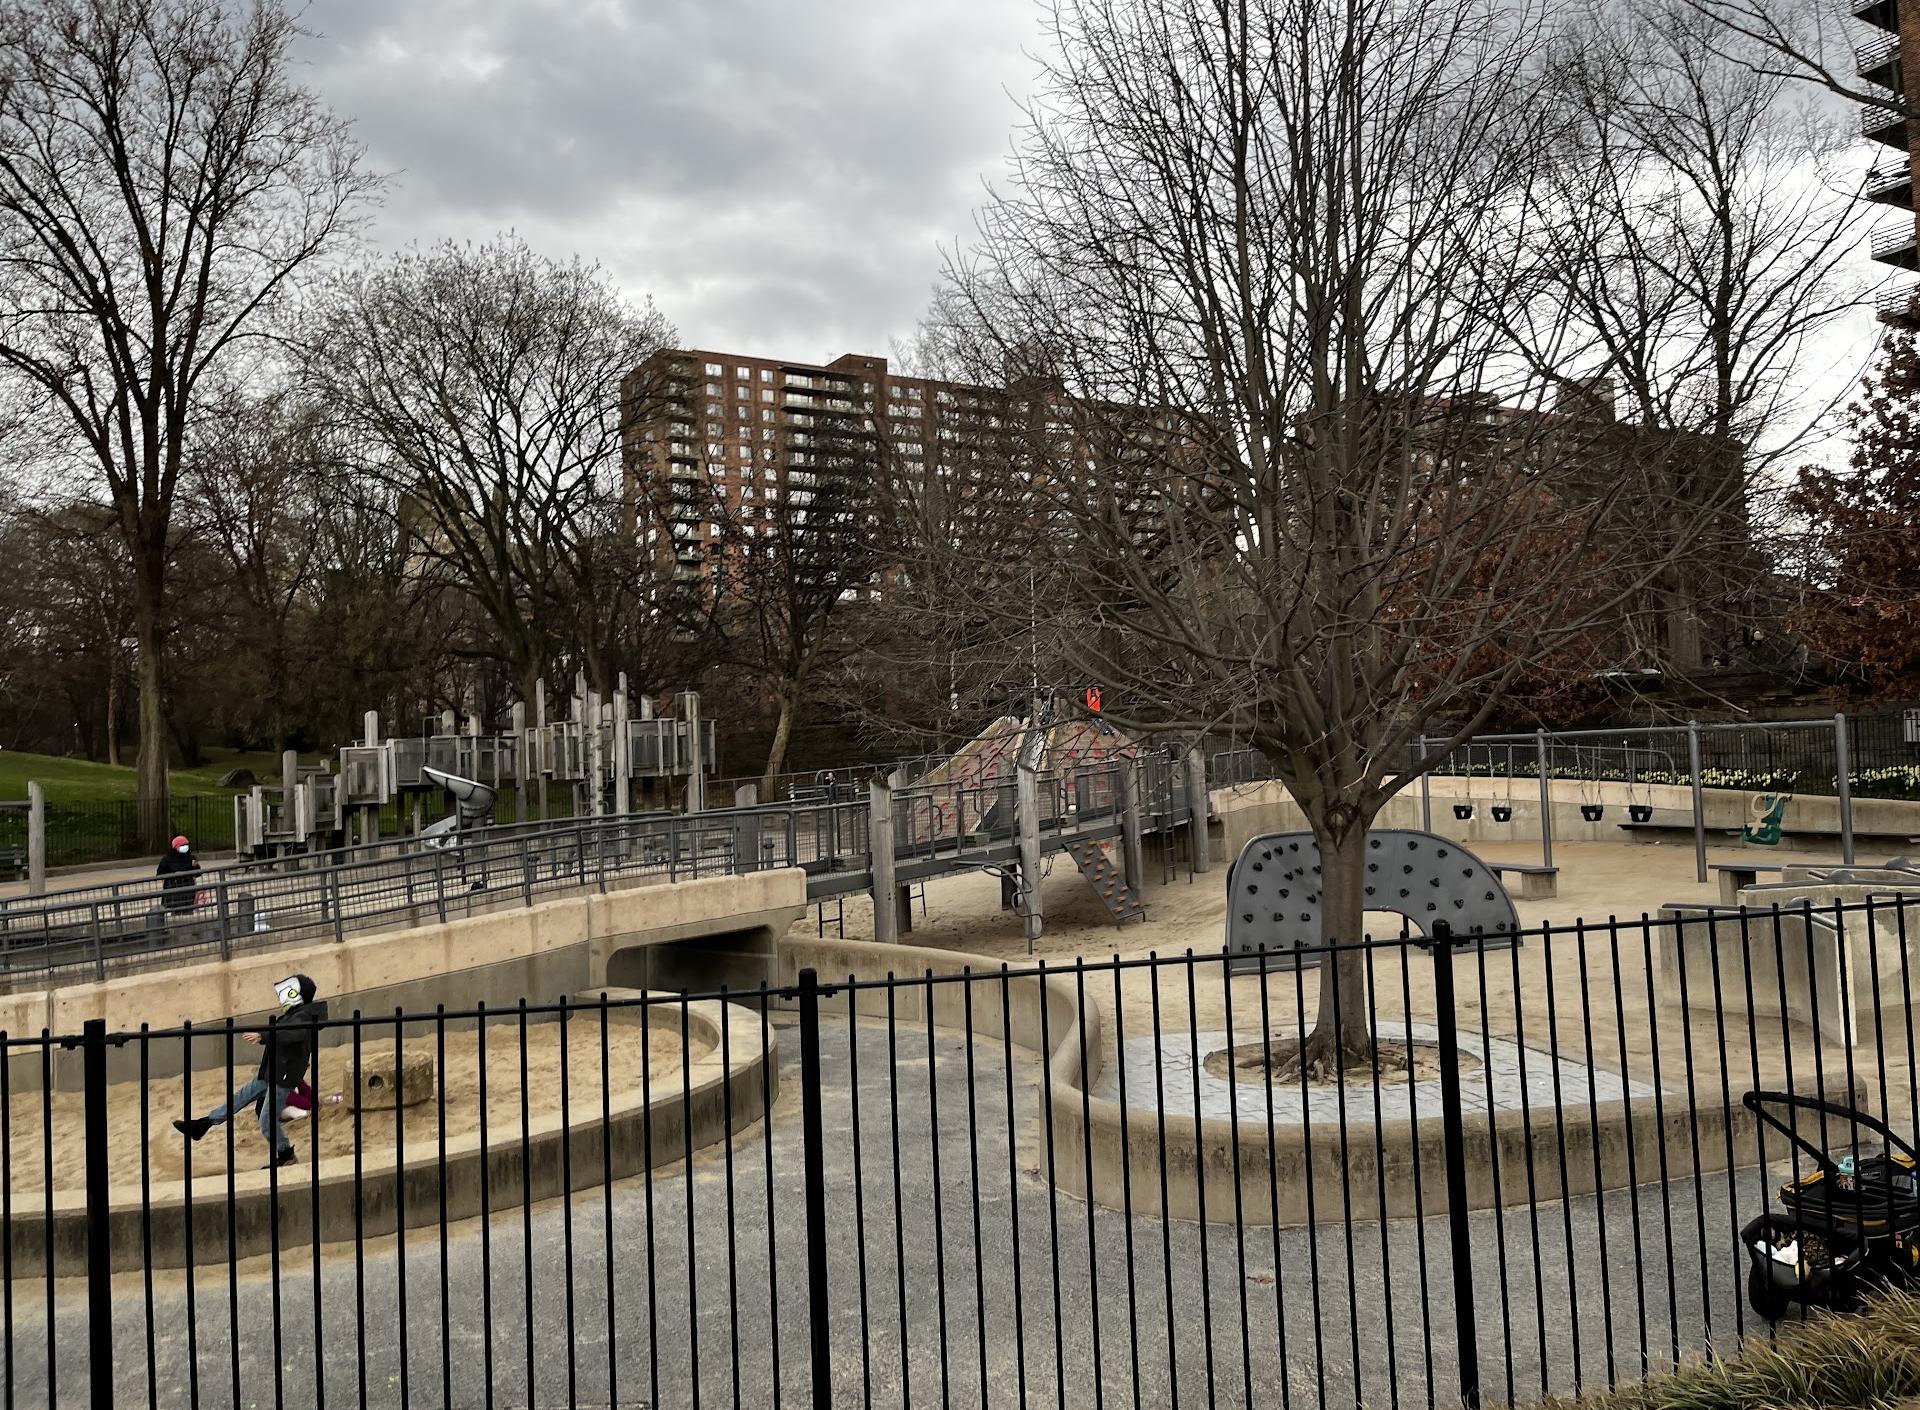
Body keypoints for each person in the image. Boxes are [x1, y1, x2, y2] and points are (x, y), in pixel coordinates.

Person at [173, 974, 327, 1168]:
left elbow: (293, 1033)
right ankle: (202, 1125)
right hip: (271, 1073)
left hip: (283, 1077)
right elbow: (284, 1033)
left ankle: (286, 1154)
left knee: (267, 1122)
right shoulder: (294, 1014)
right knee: (238, 1099)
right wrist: (265, 1037)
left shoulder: (304, 1016)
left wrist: (264, 1035)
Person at [156, 835, 202, 915]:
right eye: (182, 846)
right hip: (173, 889)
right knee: (175, 911)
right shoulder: (167, 859)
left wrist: (195, 867)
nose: (185, 847)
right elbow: (160, 873)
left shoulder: (191, 858)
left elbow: (198, 873)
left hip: (188, 889)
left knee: (188, 911)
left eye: (186, 845)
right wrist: (173, 875)